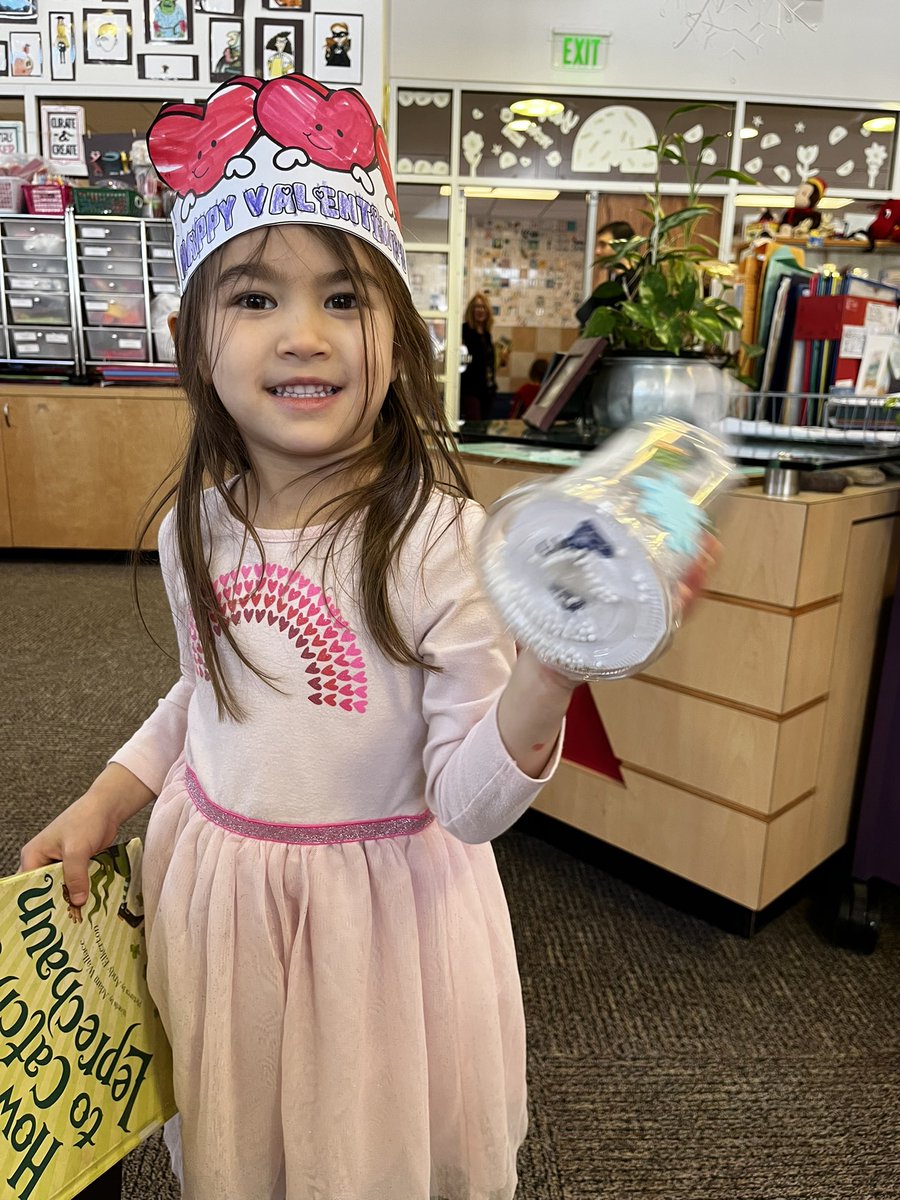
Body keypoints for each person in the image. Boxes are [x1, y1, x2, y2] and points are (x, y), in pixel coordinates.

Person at [18, 72, 579, 1200]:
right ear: (193, 336)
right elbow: (201, 692)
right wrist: (107, 798)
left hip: (375, 939)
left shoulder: (436, 543)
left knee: (363, 1147)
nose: (304, 335)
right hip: (216, 897)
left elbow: (466, 807)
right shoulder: (198, 523)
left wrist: (547, 675)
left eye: (344, 298)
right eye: (256, 299)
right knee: (243, 1138)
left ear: (397, 330)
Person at [575, 218, 635, 329]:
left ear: (621, 246)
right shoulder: (614, 281)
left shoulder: (633, 283)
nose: (597, 251)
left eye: (603, 245)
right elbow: (583, 315)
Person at [460, 291, 497, 421]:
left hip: (487, 390)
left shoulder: (487, 334)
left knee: (483, 428)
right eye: (477, 307)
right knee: (474, 429)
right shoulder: (464, 331)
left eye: (483, 307)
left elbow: (487, 363)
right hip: (470, 390)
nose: (480, 310)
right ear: (471, 310)